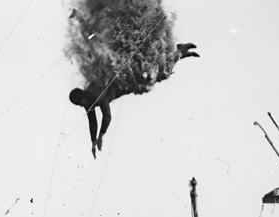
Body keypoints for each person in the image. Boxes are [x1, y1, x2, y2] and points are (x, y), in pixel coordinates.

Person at [69, 43, 199, 157]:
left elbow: (107, 116)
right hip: (123, 80)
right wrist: (93, 142)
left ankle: (179, 51)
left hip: (126, 79)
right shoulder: (87, 100)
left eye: (80, 104)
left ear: (82, 98)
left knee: (156, 75)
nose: (82, 107)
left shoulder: (95, 94)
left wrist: (101, 136)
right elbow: (92, 121)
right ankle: (179, 53)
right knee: (157, 74)